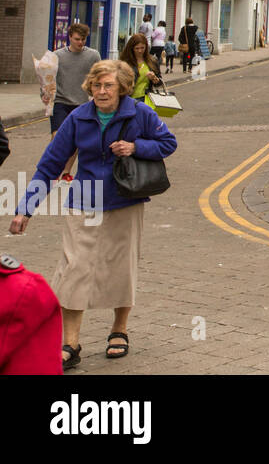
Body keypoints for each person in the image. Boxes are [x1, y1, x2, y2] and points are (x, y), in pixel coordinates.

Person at [9, 59, 179, 370]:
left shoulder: (139, 113)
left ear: (122, 88)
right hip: (84, 200)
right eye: (97, 85)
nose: (101, 91)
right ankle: (70, 342)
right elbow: (49, 166)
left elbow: (168, 143)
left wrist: (135, 147)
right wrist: (25, 209)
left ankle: (119, 329)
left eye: (108, 85)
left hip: (125, 198)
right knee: (75, 268)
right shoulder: (78, 117)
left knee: (121, 265)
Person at [49, 22, 101, 134]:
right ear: (70, 37)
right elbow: (48, 79)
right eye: (77, 39)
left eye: (83, 39)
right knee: (57, 135)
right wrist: (45, 94)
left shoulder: (93, 55)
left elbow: (99, 77)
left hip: (83, 103)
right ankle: (55, 152)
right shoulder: (57, 55)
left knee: (78, 139)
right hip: (61, 102)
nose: (80, 42)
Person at [120, 33, 162, 102]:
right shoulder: (125, 62)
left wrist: (155, 79)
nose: (140, 51)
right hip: (129, 100)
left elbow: (159, 82)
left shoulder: (153, 60)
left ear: (146, 47)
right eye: (137, 48)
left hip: (146, 100)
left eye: (142, 48)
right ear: (131, 48)